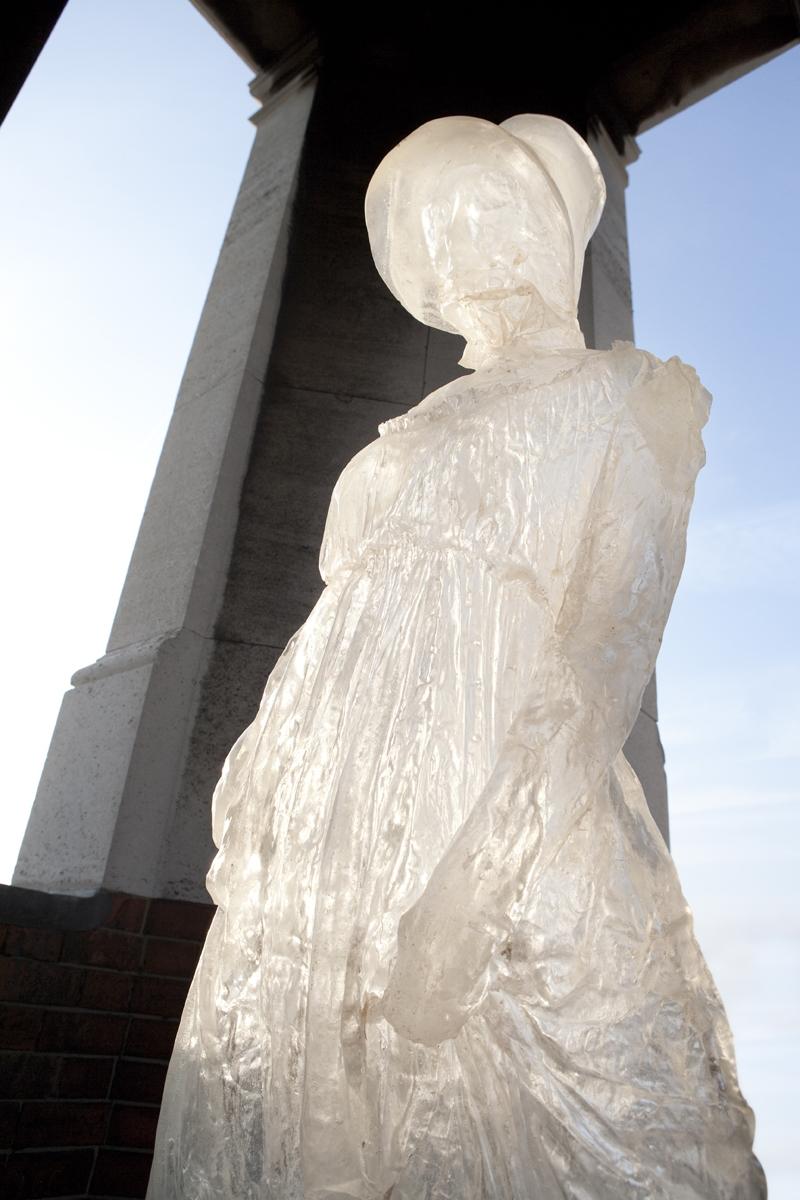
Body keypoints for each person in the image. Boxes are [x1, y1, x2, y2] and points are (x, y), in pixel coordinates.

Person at [147, 114, 765, 1199]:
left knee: (570, 1090)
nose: (475, 245)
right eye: (445, 228)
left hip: (499, 794)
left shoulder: (631, 398)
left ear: (552, 230)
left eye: (497, 211)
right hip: (337, 813)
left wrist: (476, 883)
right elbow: (342, 618)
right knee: (329, 1108)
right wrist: (261, 766)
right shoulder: (411, 430)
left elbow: (599, 654)